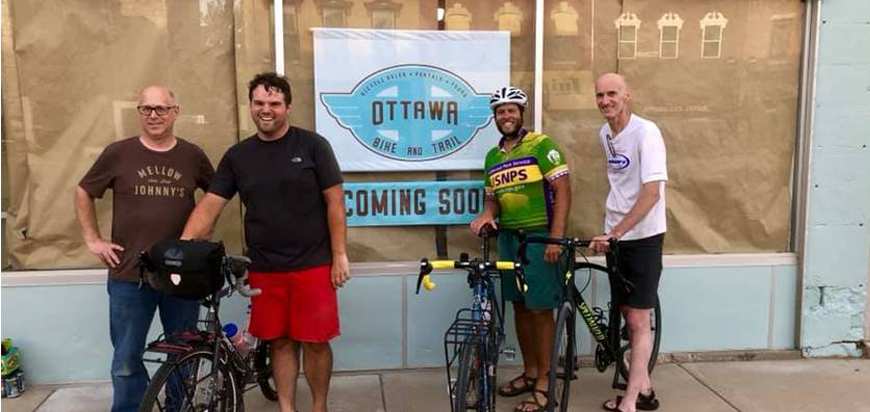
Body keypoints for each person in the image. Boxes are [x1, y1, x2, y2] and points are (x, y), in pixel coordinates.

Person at [180, 72, 349, 412]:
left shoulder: (313, 146)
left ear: (288, 107)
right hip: (265, 268)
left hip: (314, 264)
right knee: (280, 341)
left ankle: (319, 407)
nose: (266, 109)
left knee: (315, 342)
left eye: (274, 103)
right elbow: (211, 204)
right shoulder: (238, 156)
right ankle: (287, 408)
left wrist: (340, 255)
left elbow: (335, 202)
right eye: (259, 103)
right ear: (251, 106)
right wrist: (182, 245)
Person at [74, 86, 214, 412]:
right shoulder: (118, 153)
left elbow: (215, 197)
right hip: (129, 275)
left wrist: (200, 235)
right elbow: (83, 191)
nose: (153, 115)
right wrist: (93, 239)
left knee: (183, 352)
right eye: (146, 109)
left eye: (161, 109)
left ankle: (179, 408)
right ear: (139, 112)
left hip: (182, 276)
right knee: (126, 358)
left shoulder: (193, 156)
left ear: (175, 112)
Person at [470, 86, 571, 412]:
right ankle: (529, 372)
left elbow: (564, 190)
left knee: (541, 309)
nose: (506, 116)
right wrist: (487, 214)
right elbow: (491, 198)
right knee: (520, 307)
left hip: (540, 237)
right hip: (509, 240)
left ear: (521, 113)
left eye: (511, 110)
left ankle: (545, 381)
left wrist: (555, 237)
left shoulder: (542, 145)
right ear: (495, 118)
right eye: (500, 111)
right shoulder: (492, 156)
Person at [589, 73, 667, 412]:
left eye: (612, 94)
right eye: (599, 95)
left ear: (627, 95)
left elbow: (652, 193)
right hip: (616, 235)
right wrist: (612, 230)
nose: (605, 101)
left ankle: (631, 402)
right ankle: (645, 390)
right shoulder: (604, 134)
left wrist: (617, 232)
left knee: (637, 321)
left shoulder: (646, 132)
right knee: (624, 311)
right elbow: (620, 183)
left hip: (643, 236)